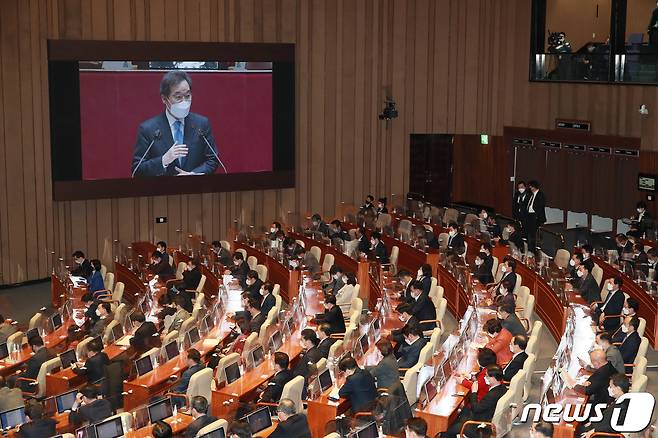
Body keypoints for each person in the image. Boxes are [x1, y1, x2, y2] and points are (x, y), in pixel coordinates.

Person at [131, 70, 219, 177]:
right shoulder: (148, 129)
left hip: (196, 190)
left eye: (187, 96)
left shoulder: (201, 124)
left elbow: (213, 160)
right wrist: (163, 160)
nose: (184, 101)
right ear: (164, 99)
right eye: (178, 97)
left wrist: (193, 174)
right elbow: (137, 170)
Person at [443, 366, 507, 438]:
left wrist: (474, 392)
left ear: (493, 378)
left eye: (487, 376)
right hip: (484, 415)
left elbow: (476, 409)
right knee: (459, 414)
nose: (484, 378)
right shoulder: (502, 388)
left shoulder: (492, 395)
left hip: (478, 425)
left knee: (447, 431)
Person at [523, 180, 546, 254]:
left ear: (535, 186)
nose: (530, 188)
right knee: (527, 232)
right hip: (529, 215)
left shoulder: (541, 194)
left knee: (533, 234)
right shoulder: (530, 194)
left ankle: (533, 250)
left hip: (536, 216)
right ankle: (528, 247)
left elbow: (540, 206)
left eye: (531, 186)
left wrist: (535, 214)